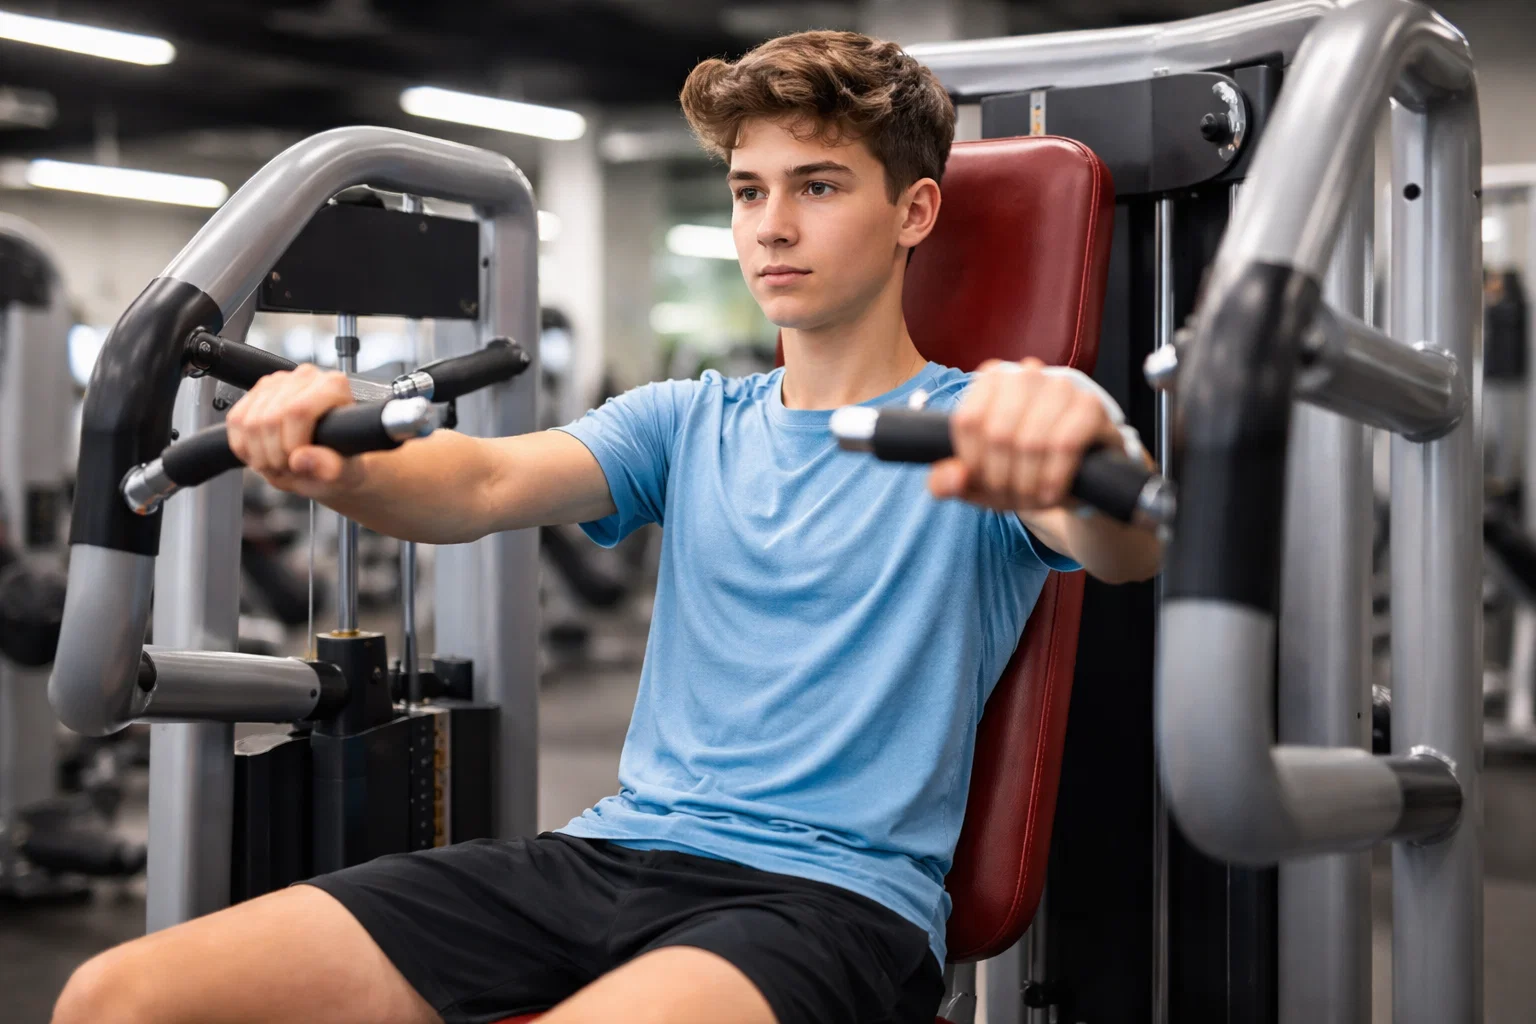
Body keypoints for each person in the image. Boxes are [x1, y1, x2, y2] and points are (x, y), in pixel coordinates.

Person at [54, 30, 1160, 1024]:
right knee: (117, 997)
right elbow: (476, 484)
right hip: (609, 855)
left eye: (817, 186)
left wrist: (1078, 450)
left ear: (914, 211)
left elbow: (1125, 540)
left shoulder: (988, 421)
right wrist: (325, 461)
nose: (771, 225)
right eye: (748, 190)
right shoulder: (688, 420)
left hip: (827, 901)